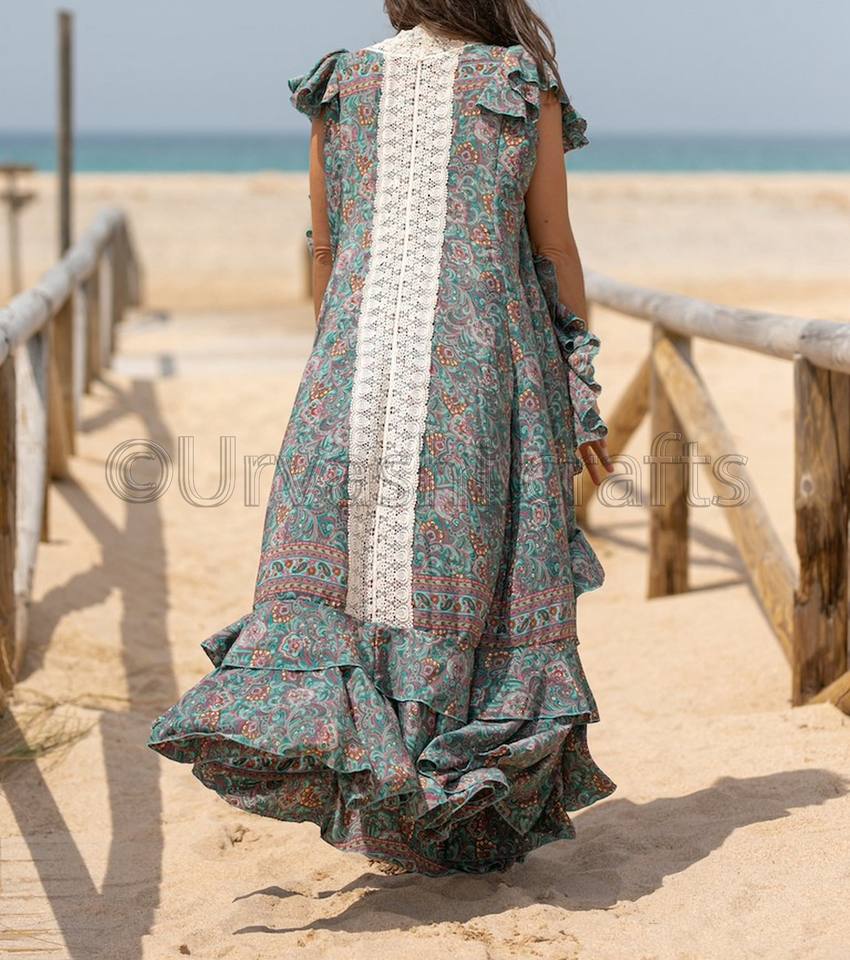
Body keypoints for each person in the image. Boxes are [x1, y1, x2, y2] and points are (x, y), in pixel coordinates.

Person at [148, 0, 616, 877]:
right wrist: (577, 381)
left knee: (353, 576)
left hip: (350, 361)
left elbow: (324, 250)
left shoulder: (342, 82)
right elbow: (553, 246)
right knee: (473, 577)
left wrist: (338, 363)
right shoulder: (518, 83)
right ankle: (449, 812)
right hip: (481, 362)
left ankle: (394, 800)